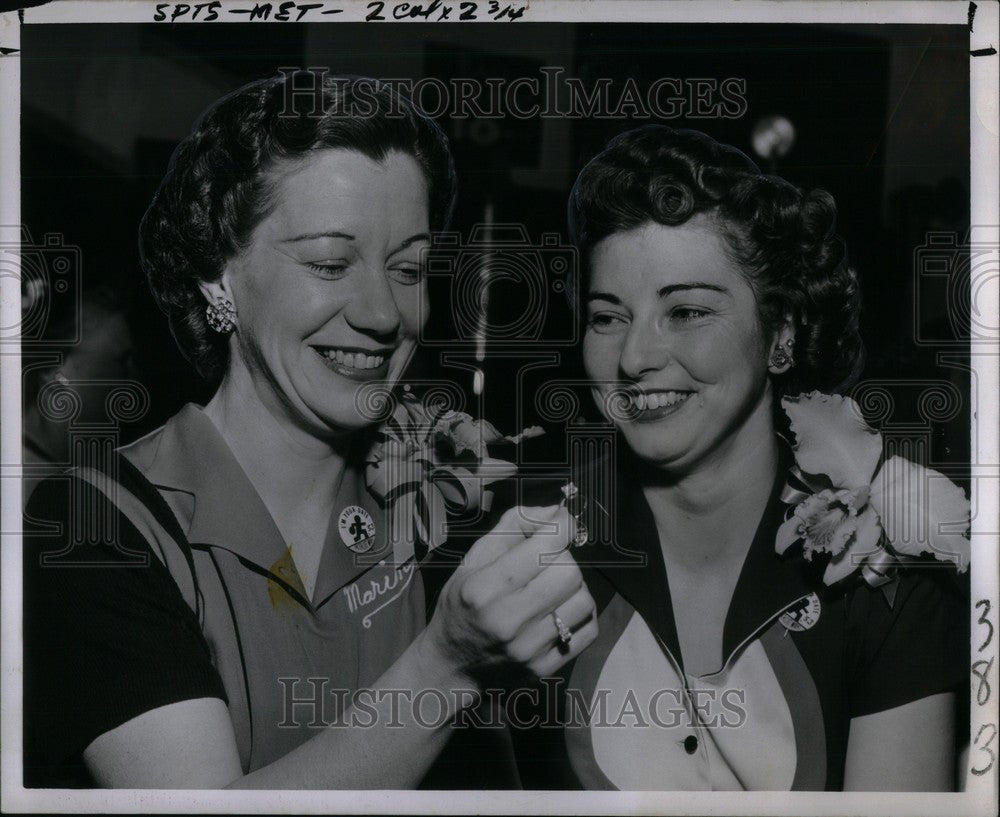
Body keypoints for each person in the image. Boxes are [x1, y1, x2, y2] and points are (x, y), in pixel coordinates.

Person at [23, 72, 597, 789]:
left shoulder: (437, 506)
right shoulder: (93, 525)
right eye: (331, 262)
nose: (385, 312)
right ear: (216, 276)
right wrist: (448, 663)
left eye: (409, 267)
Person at [510, 126, 968, 791]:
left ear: (779, 336)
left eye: (688, 310)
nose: (634, 358)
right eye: (609, 316)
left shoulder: (886, 575)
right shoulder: (528, 547)